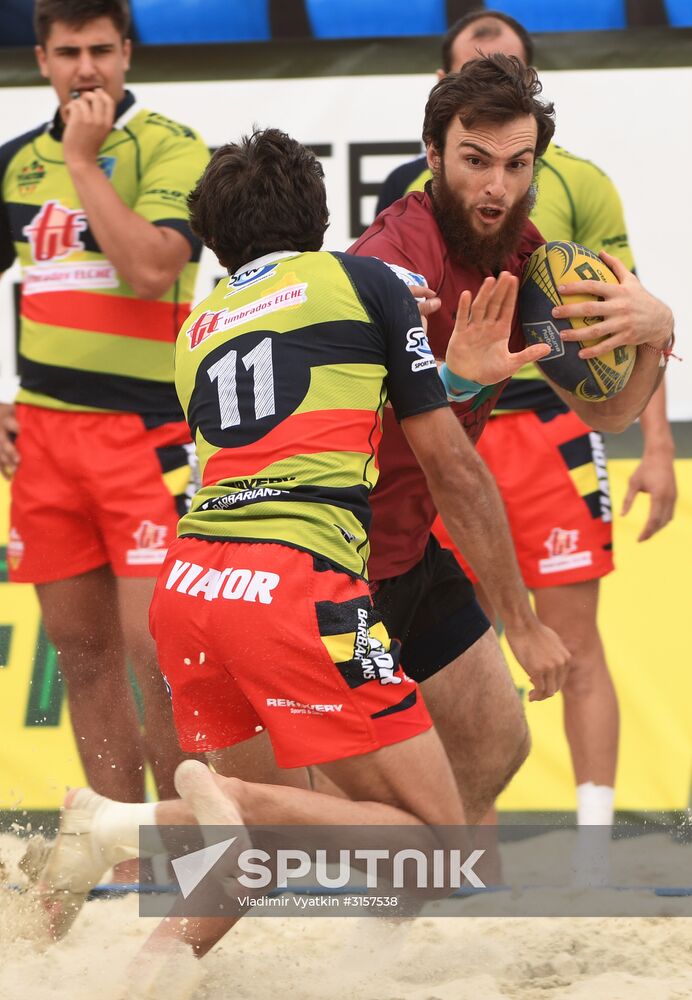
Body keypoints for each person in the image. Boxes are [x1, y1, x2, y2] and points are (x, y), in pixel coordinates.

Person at [35, 127, 571, 956]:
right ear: (321, 215)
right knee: (435, 850)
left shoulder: (198, 325)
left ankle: (148, 957)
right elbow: (448, 466)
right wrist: (523, 619)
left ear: (212, 237)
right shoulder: (368, 281)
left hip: (193, 588)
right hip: (294, 586)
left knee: (252, 859)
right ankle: (127, 825)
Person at [347, 53, 675, 827]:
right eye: (476, 162)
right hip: (332, 556)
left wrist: (657, 333)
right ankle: (131, 830)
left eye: (518, 165)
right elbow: (414, 450)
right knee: (350, 806)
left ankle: (380, 928)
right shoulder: (397, 261)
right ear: (432, 154)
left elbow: (609, 415)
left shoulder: (530, 261)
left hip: (405, 550)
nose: (498, 187)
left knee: (494, 746)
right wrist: (519, 623)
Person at [0, 0, 209, 807]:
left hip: (145, 435)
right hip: (46, 441)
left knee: (155, 652)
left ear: (127, 54)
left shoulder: (172, 148)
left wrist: (84, 164)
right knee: (81, 655)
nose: (85, 67)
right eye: (67, 51)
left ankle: (193, 857)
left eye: (99, 49)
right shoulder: (15, 165)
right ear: (42, 58)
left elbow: (154, 269)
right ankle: (127, 869)